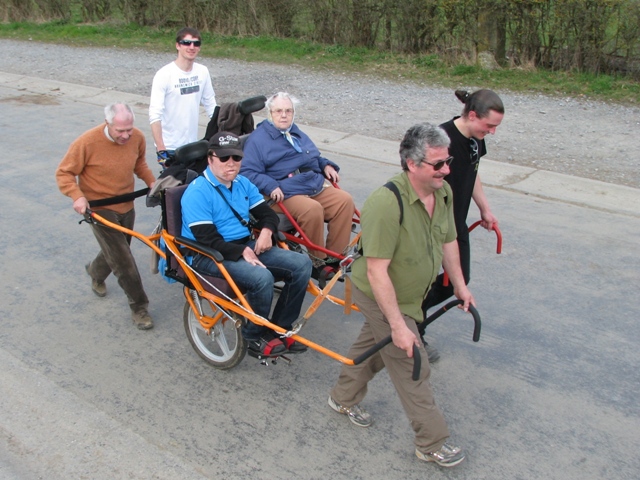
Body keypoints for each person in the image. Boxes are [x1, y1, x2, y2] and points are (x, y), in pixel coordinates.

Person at [327, 123, 475, 468]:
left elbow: (449, 240)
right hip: (380, 293)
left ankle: (342, 397)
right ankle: (432, 442)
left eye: (447, 161)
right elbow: (378, 272)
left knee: (375, 349)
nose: (447, 170)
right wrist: (397, 324)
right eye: (438, 164)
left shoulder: (443, 192)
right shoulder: (385, 203)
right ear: (412, 164)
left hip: (413, 294)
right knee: (412, 363)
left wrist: (460, 285)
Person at [181, 131, 312, 356]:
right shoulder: (197, 192)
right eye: (224, 158)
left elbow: (266, 214)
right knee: (262, 277)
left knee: (302, 264)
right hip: (207, 254)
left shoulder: (242, 183)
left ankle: (279, 328)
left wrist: (267, 233)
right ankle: (254, 335)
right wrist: (243, 251)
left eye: (236, 158)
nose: (231, 164)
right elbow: (207, 239)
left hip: (244, 245)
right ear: (210, 158)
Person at [419, 89, 504, 362]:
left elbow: (473, 171)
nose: (492, 132)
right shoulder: (441, 141)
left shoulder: (475, 141)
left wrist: (485, 209)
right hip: (433, 226)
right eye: (489, 125)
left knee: (459, 279)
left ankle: (408, 316)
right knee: (429, 280)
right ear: (471, 115)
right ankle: (409, 325)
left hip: (457, 223)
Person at [55, 103, 156, 330]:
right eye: (120, 130)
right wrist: (77, 196)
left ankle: (95, 271)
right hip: (99, 209)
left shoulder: (137, 137)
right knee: (124, 261)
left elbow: (139, 163)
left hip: (126, 205)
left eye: (129, 129)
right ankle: (139, 308)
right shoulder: (86, 142)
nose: (126, 135)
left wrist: (152, 182)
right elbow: (64, 172)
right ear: (108, 123)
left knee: (117, 251)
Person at [240, 92, 356, 276]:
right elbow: (246, 172)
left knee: (345, 200)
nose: (284, 115)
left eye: (288, 111)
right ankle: (317, 263)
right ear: (270, 113)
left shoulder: (294, 132)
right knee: (312, 209)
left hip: (310, 183)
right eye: (278, 111)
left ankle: (335, 257)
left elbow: (312, 156)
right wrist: (270, 185)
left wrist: (325, 165)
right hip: (282, 191)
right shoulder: (258, 140)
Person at [149, 27, 217, 169]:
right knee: (172, 189)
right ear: (178, 45)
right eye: (186, 43)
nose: (191, 47)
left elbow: (211, 104)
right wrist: (161, 150)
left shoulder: (202, 71)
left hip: (193, 146)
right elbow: (155, 115)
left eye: (196, 44)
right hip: (171, 147)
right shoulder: (164, 74)